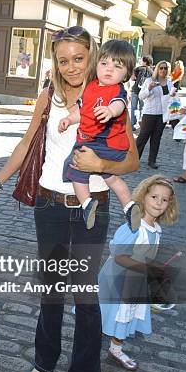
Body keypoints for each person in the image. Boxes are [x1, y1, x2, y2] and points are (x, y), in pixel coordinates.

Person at [0, 25, 139, 372]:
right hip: (50, 203)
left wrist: (99, 160)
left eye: (79, 59)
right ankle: (45, 359)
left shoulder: (110, 96)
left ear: (93, 56)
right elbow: (27, 143)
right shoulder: (48, 95)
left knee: (84, 293)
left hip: (92, 203)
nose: (71, 67)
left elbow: (130, 158)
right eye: (63, 60)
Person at [99, 176, 179, 370]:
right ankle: (89, 345)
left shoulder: (156, 230)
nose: (159, 202)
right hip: (117, 280)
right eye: (154, 197)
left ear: (169, 205)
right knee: (109, 314)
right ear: (143, 198)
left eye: (164, 199)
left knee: (126, 316)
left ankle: (115, 350)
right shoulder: (134, 227)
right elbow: (119, 256)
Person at [60, 39, 141, 231]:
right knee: (111, 178)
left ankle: (87, 204)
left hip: (101, 143)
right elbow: (84, 111)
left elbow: (119, 104)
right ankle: (129, 206)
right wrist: (69, 120)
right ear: (96, 64)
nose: (109, 69)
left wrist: (110, 111)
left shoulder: (117, 90)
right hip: (108, 148)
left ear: (127, 74)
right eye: (104, 63)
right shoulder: (91, 87)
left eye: (117, 66)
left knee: (74, 167)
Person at [136, 61, 175, 169]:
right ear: (157, 69)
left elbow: (170, 99)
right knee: (143, 137)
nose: (163, 70)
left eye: (165, 68)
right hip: (150, 113)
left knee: (156, 138)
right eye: (161, 68)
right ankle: (134, 159)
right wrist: (149, 89)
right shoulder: (150, 81)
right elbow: (141, 96)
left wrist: (173, 96)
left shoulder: (169, 83)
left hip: (162, 114)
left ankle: (152, 161)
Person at [130, 55, 153, 130]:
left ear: (145, 61)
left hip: (136, 90)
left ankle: (133, 125)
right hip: (145, 92)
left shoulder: (138, 69)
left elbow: (133, 78)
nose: (140, 61)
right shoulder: (152, 71)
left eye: (141, 60)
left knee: (134, 108)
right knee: (142, 108)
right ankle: (142, 124)